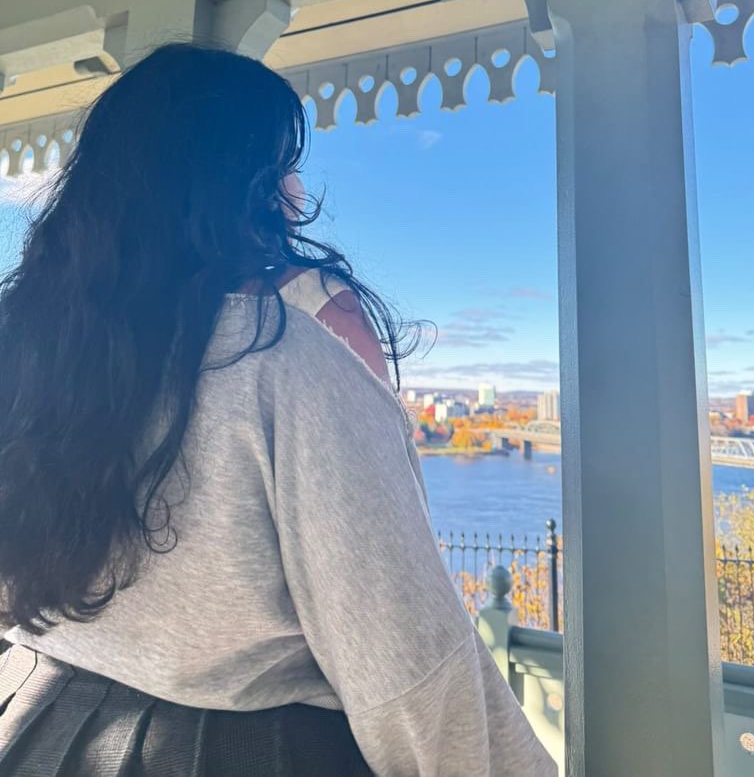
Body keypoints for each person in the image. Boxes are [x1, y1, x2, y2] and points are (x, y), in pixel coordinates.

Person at [0, 44, 556, 776]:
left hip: (32, 725)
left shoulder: (27, 348)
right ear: (238, 184)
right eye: (280, 167)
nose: (295, 194)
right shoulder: (285, 362)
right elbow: (405, 662)